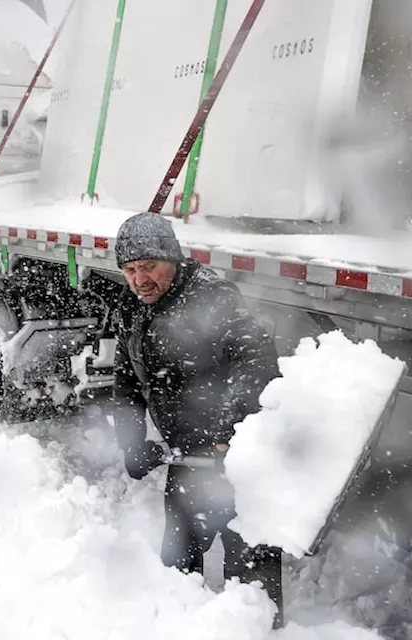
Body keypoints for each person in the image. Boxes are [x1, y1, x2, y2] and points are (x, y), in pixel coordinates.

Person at [109, 211, 285, 629]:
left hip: (239, 466)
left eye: (149, 266)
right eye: (131, 270)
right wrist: (131, 444)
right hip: (188, 461)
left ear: (173, 258)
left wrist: (230, 433)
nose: (140, 279)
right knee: (175, 573)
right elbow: (126, 384)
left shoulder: (212, 299)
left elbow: (257, 360)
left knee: (253, 586)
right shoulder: (131, 309)